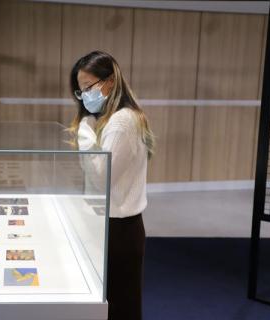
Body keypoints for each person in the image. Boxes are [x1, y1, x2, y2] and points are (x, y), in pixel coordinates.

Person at [70, 51, 154, 320]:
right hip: (120, 226)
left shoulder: (120, 122)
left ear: (108, 82)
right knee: (121, 302)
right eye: (80, 90)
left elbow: (100, 178)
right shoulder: (121, 117)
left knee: (120, 305)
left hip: (119, 228)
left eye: (88, 87)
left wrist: (84, 132)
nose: (84, 96)